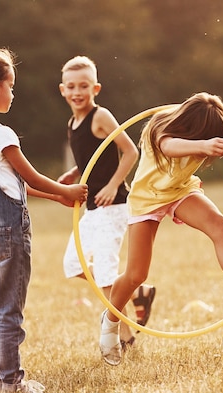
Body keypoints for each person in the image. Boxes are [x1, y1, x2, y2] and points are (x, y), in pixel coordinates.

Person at [99, 92, 223, 366]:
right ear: (190, 126)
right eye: (203, 136)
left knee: (219, 224)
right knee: (136, 274)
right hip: (146, 199)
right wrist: (202, 145)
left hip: (179, 191)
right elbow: (169, 147)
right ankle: (109, 322)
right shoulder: (160, 125)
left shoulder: (215, 133)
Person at [0, 42, 88, 393]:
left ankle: (0, 378)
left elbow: (11, 183)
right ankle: (12, 383)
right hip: (8, 231)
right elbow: (31, 178)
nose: (13, 92)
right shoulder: (2, 134)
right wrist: (67, 191)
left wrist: (58, 195)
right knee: (10, 310)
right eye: (10, 85)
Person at [57, 56, 156, 350]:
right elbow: (90, 158)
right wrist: (75, 172)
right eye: (72, 86)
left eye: (84, 86)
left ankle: (125, 338)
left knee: (103, 275)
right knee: (73, 264)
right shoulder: (72, 123)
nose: (77, 92)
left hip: (112, 206)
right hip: (92, 208)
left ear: (95, 88)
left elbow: (129, 152)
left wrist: (114, 185)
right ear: (62, 90)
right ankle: (138, 293)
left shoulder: (100, 116)